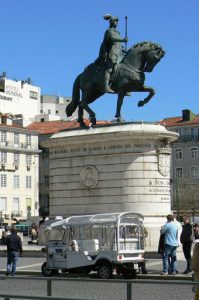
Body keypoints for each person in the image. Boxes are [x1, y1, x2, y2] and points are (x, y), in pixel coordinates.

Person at [95, 15, 128, 93]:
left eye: (117, 21)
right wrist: (123, 39)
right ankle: (106, 86)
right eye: (115, 21)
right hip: (112, 53)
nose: (117, 23)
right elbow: (112, 38)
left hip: (119, 54)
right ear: (112, 22)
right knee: (109, 69)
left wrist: (123, 50)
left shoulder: (117, 33)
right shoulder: (109, 31)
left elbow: (117, 44)